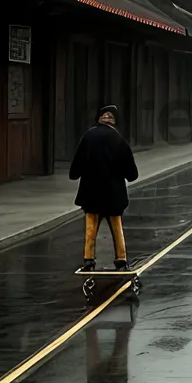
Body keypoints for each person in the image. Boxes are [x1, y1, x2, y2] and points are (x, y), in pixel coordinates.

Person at [71, 105, 139, 272]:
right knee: (116, 225)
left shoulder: (88, 137)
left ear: (98, 119)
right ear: (114, 122)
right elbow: (132, 174)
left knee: (91, 224)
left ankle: (88, 259)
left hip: (91, 192)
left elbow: (75, 168)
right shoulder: (119, 140)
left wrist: (76, 173)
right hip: (113, 193)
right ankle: (121, 258)